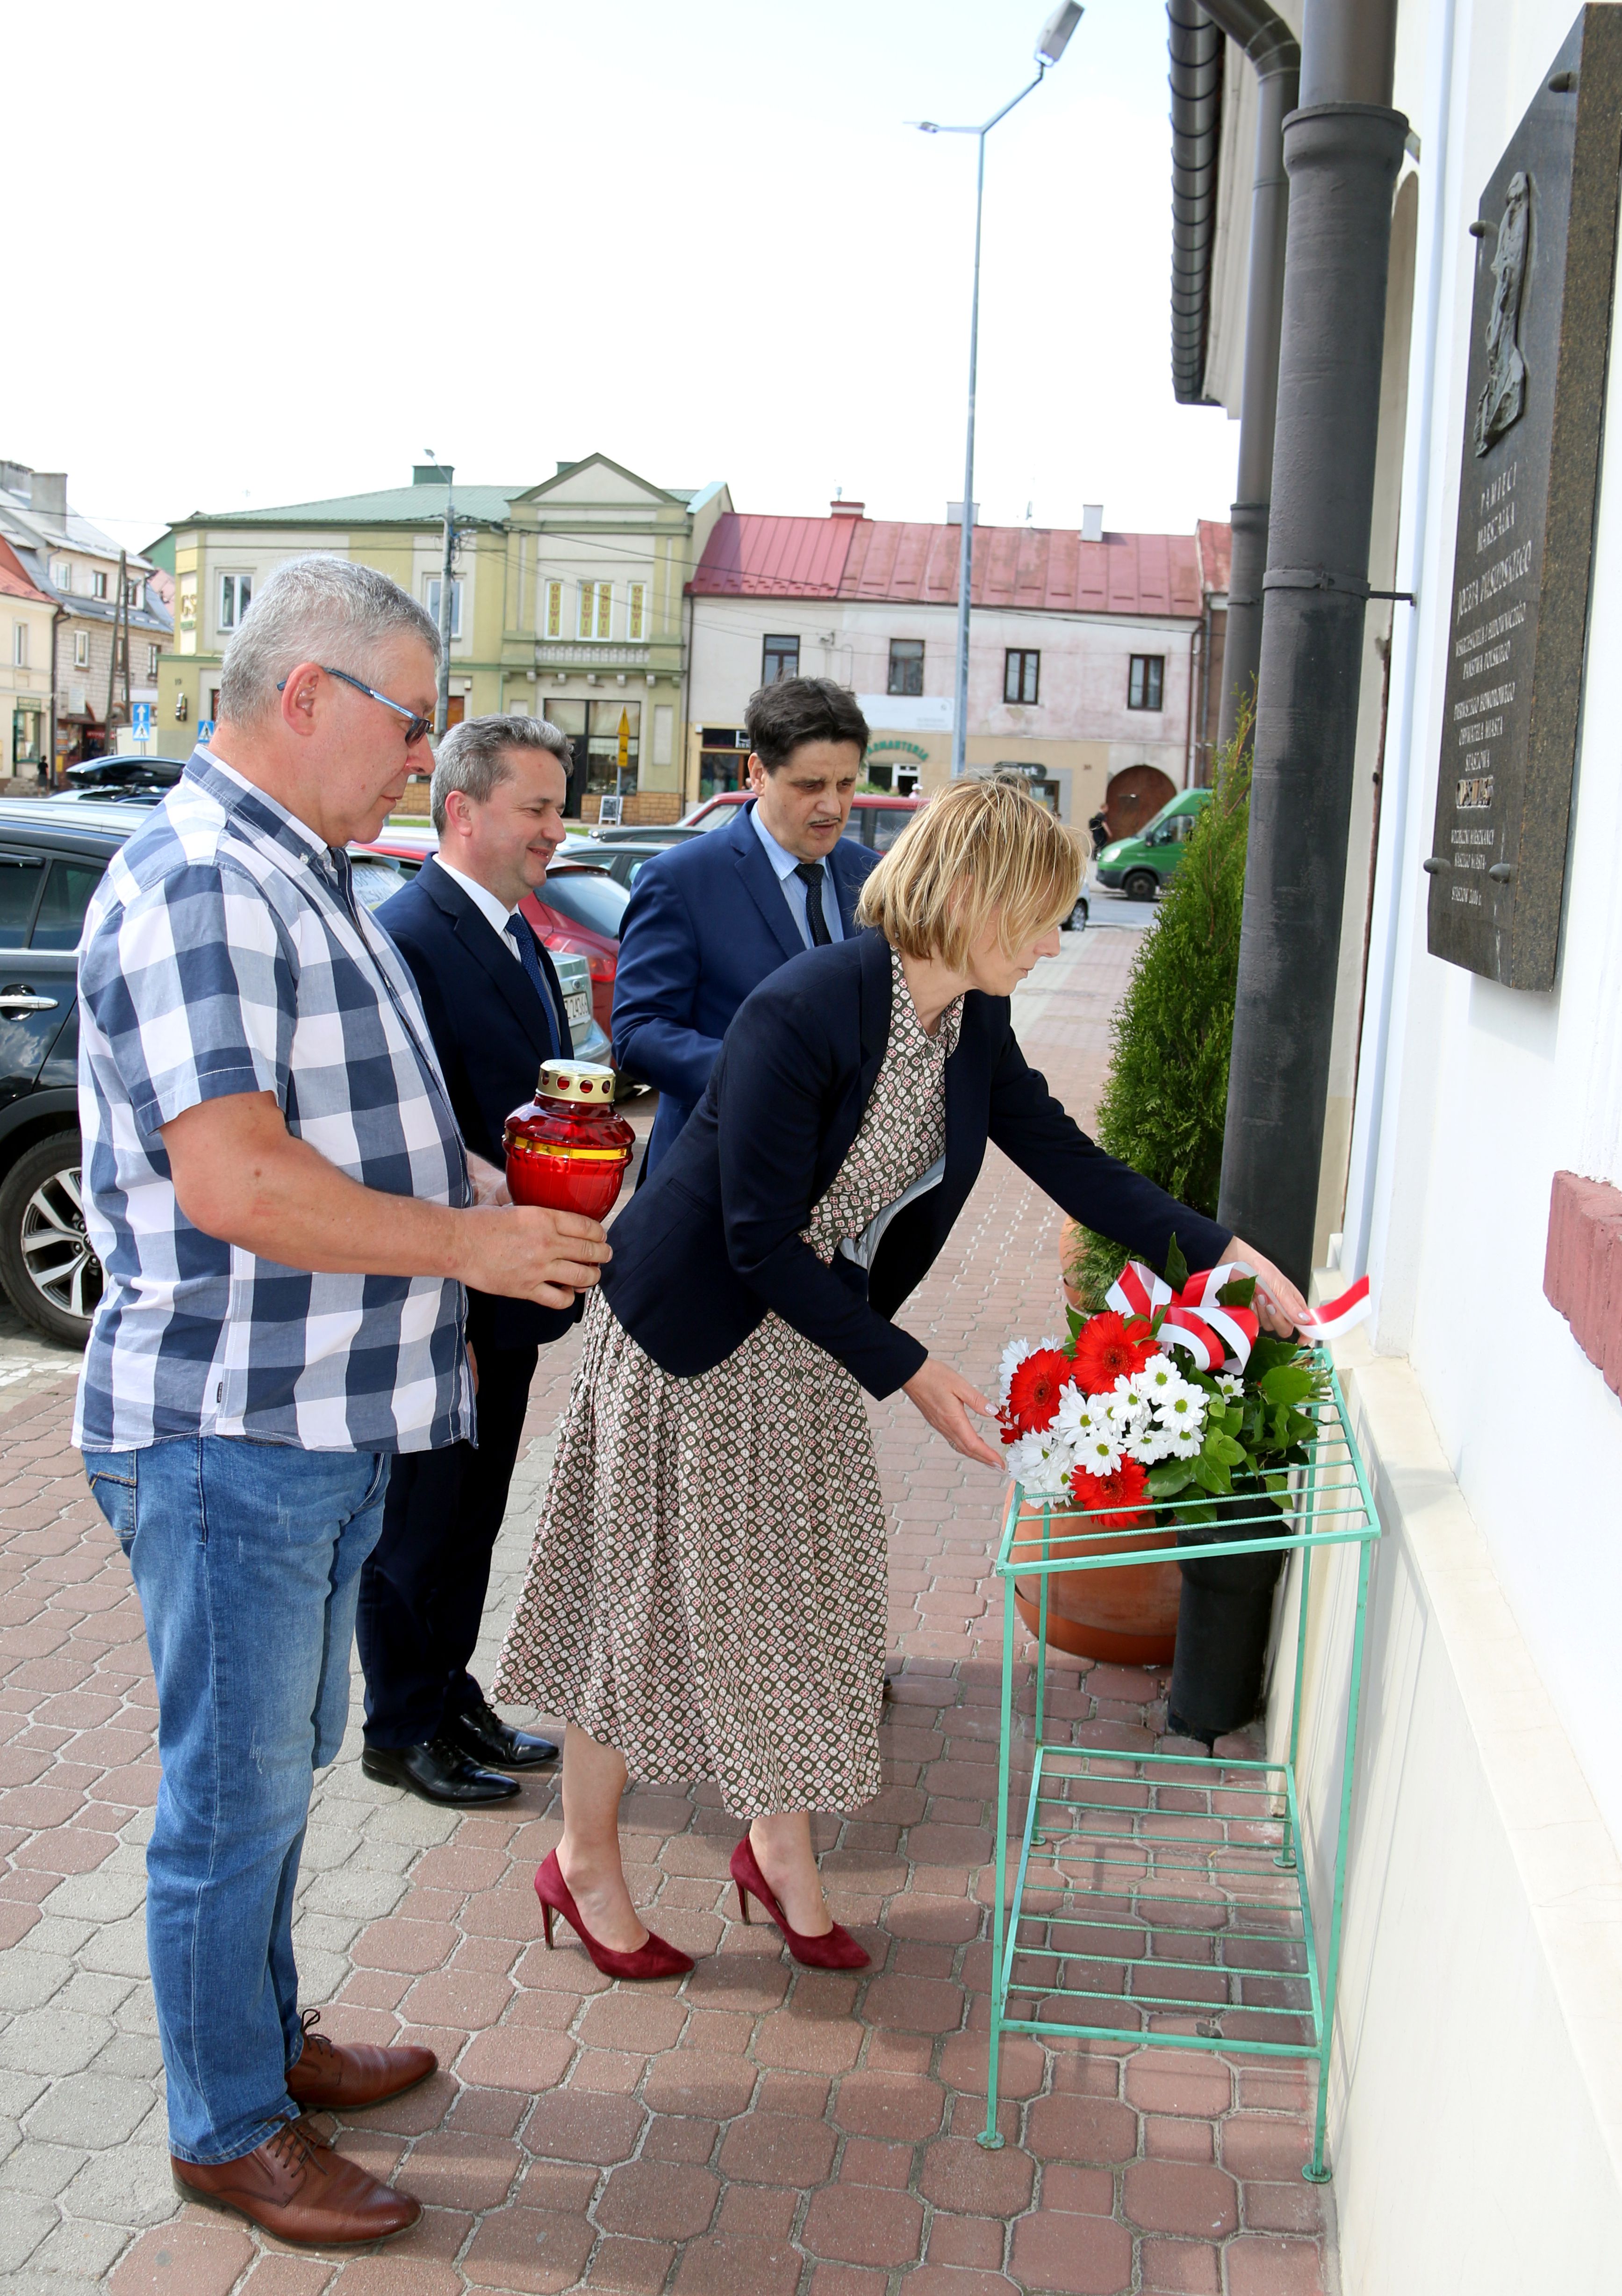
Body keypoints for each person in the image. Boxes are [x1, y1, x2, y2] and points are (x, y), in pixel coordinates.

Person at [493, 777, 1307, 1979]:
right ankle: (583, 1857)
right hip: (697, 1339)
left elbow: (1070, 1162)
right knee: (645, 1607)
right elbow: (755, 1237)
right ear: (971, 895)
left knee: (806, 1610)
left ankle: (778, 1855)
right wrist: (918, 1374)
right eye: (1037, 915)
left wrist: (1227, 1257)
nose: (1048, 942)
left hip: (812, 1342)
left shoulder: (967, 1020)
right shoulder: (805, 1007)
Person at [74, 556, 609, 2244]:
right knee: (230, 1797)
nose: (421, 751)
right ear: (304, 695)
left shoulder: (301, 872)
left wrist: (491, 1190)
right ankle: (225, 2122)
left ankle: (266, 2041)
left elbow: (371, 1121)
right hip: (231, 1428)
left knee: (277, 1778)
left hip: (311, 1419)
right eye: (409, 716)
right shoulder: (199, 888)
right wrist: (470, 1240)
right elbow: (237, 1179)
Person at [356, 716, 582, 1805]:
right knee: (420, 1520)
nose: (555, 826)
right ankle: (399, 1727)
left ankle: (448, 1694)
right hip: (444, 1294)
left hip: (509, 1284)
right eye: (534, 807)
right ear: (462, 811)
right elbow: (406, 1133)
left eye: (555, 805)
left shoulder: (511, 929)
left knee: (473, 1509)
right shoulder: (410, 933)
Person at [611, 676, 879, 1175]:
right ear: (757, 772)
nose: (833, 806)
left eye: (845, 784)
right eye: (810, 786)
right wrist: (765, 1078)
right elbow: (638, 1033)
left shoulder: (874, 877)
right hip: (713, 1182)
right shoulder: (680, 880)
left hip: (834, 1190)